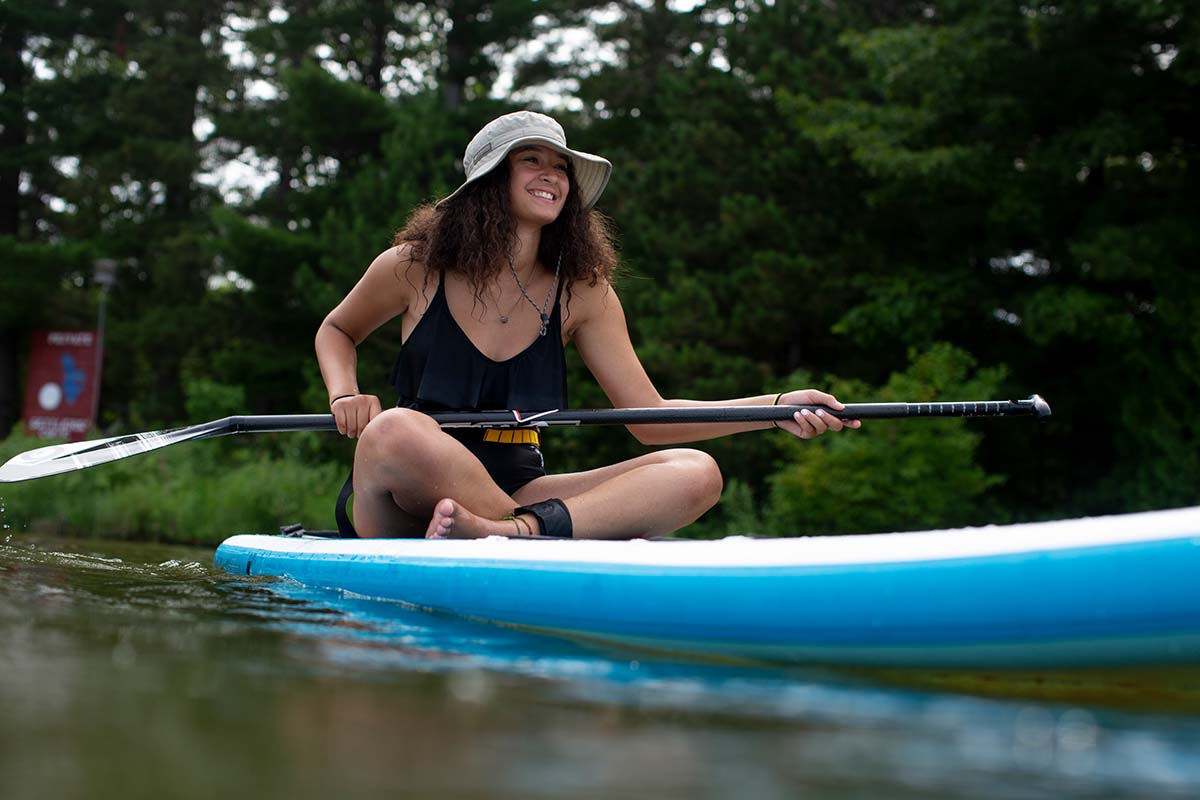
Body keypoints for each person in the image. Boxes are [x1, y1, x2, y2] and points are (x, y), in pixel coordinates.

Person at [315, 110, 859, 540]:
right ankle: (537, 532)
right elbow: (337, 331)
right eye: (530, 160)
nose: (551, 173)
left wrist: (776, 408)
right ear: (488, 181)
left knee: (695, 470)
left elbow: (650, 419)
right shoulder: (413, 265)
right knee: (396, 428)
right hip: (406, 496)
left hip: (527, 494)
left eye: (560, 165)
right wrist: (345, 394)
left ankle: (514, 533)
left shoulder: (584, 292)